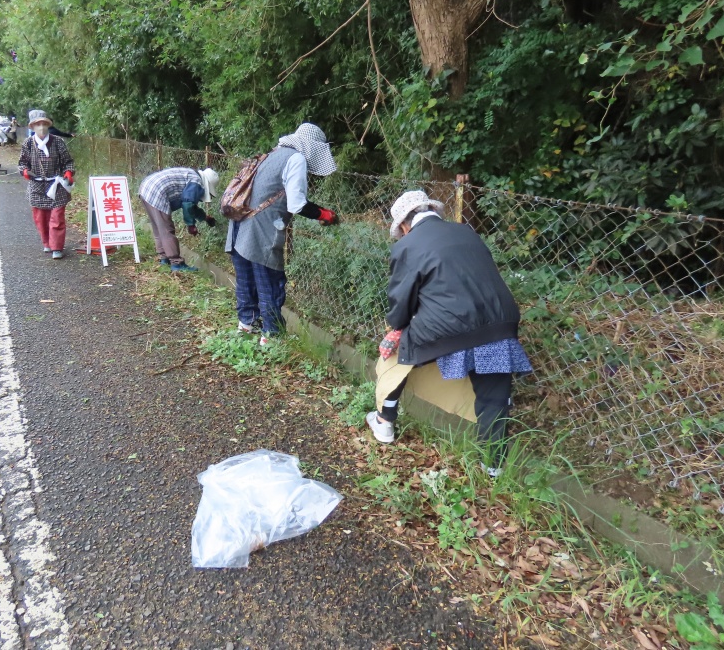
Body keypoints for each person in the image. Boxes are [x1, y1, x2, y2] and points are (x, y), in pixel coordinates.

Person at [366, 190, 532, 476]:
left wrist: (396, 328)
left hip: (447, 326)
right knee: (494, 396)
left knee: (397, 352)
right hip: (498, 322)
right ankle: (493, 469)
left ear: (404, 225)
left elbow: (401, 301)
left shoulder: (407, 246)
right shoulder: (466, 232)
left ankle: (384, 421)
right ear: (431, 210)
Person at [224, 122, 339, 345]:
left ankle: (246, 325)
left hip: (240, 224)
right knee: (269, 281)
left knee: (246, 278)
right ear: (312, 147)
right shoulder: (296, 159)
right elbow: (296, 203)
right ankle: (272, 337)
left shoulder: (272, 154)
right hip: (262, 228)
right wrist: (323, 214)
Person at [18, 109, 76, 259]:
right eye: (38, 124)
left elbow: (67, 162)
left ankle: (57, 247)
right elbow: (22, 162)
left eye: (44, 123)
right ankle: (47, 243)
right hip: (37, 185)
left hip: (56, 184)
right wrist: (24, 171)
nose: (41, 127)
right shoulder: (28, 143)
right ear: (32, 127)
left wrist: (68, 173)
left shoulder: (58, 142)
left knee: (57, 216)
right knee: (40, 217)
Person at [138, 167, 220, 272]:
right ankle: (177, 264)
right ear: (207, 185)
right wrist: (191, 225)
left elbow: (190, 205)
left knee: (158, 227)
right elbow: (188, 204)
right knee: (167, 230)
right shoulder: (196, 182)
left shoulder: (191, 175)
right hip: (157, 192)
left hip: (146, 188)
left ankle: (164, 258)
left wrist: (204, 217)